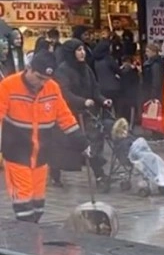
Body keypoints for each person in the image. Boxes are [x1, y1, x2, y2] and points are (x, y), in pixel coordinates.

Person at [0, 51, 87, 222]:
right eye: (39, 78)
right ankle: (25, 238)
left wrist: (81, 141)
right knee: (24, 202)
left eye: (46, 79)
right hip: (17, 152)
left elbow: (64, 116)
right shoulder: (8, 86)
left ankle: (33, 235)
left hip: (42, 154)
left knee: (38, 202)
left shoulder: (52, 88)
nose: (42, 83)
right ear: (29, 69)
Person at [51, 39, 111, 187]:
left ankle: (99, 174)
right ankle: (55, 174)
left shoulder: (86, 69)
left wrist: (103, 100)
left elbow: (95, 89)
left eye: (83, 49)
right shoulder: (62, 70)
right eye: (78, 50)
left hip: (87, 114)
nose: (82, 53)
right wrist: (82, 101)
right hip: (69, 114)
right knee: (62, 146)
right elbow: (64, 93)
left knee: (92, 143)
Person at [93, 39, 122, 106]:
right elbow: (118, 70)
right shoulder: (108, 59)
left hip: (101, 87)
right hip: (113, 87)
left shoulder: (96, 61)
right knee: (116, 106)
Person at [118, 56, 140, 125]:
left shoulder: (121, 71)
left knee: (126, 110)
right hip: (130, 93)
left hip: (126, 93)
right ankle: (130, 125)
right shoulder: (133, 70)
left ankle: (128, 124)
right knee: (130, 110)